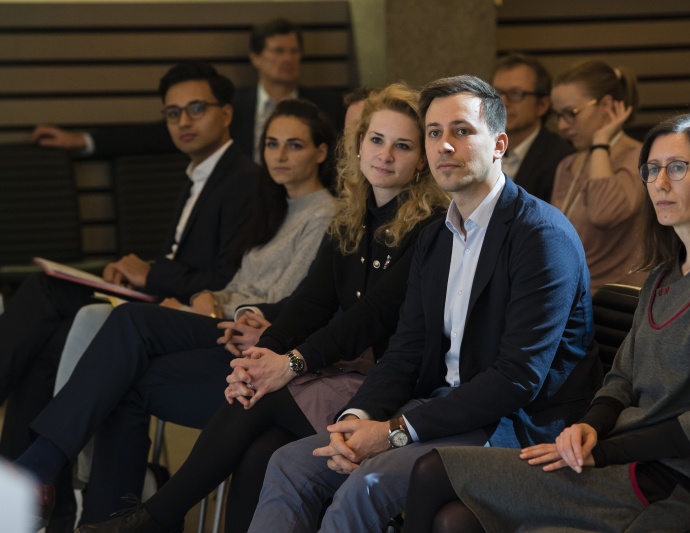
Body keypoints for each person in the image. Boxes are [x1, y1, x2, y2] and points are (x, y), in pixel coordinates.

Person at [58, 82, 450, 532]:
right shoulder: (351, 217)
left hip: (393, 389)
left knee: (266, 398)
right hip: (348, 374)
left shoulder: (429, 228)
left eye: (403, 146)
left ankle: (154, 518)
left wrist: (290, 362)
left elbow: (370, 318)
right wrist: (260, 355)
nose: (385, 155)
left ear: (422, 159)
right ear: (358, 146)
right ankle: (152, 518)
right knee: (258, 450)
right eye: (376, 140)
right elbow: (311, 303)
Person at [235, 74, 600, 533]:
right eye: (433, 133)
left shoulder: (541, 236)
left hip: (512, 424)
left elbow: (517, 380)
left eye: (462, 131)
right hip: (437, 407)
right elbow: (405, 350)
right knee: (288, 464)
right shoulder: (435, 238)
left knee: (363, 486)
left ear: (499, 143)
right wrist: (358, 418)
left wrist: (393, 431)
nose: (444, 145)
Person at [403, 113, 690, 533]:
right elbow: (620, 378)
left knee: (431, 470)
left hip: (659, 482)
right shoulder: (664, 272)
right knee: (456, 520)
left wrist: (605, 451)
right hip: (617, 459)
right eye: (651, 170)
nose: (660, 183)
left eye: (677, 168)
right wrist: (588, 427)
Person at [12, 97, 340, 526]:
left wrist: (209, 304)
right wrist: (199, 300)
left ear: (320, 152)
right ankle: (105, 517)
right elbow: (235, 284)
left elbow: (287, 299)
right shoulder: (272, 207)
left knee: (130, 320)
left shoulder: (325, 215)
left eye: (293, 145)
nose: (279, 155)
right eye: (272, 144)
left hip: (254, 337)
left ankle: (42, 463)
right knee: (122, 378)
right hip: (226, 323)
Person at [0, 61, 258, 463]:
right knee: (49, 340)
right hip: (153, 298)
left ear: (225, 114)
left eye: (196, 109)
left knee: (45, 288)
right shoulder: (199, 172)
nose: (183, 122)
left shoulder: (244, 180)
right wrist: (135, 275)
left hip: (184, 315)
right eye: (173, 113)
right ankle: (22, 478)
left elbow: (225, 278)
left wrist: (152, 274)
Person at [31, 18, 344, 162]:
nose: (287, 60)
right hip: (243, 213)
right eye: (277, 51)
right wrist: (82, 141)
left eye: (293, 52)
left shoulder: (326, 106)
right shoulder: (226, 104)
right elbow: (157, 135)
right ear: (256, 58)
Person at [549, 60, 646, 292]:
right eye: (558, 115)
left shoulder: (641, 157)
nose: (562, 125)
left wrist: (601, 142)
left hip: (615, 306)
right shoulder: (568, 164)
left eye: (571, 113)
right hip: (570, 296)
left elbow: (604, 214)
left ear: (607, 105)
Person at [491, 53, 573, 201]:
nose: (502, 102)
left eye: (516, 93)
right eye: (496, 93)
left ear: (542, 105)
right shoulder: (483, 149)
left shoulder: (561, 160)